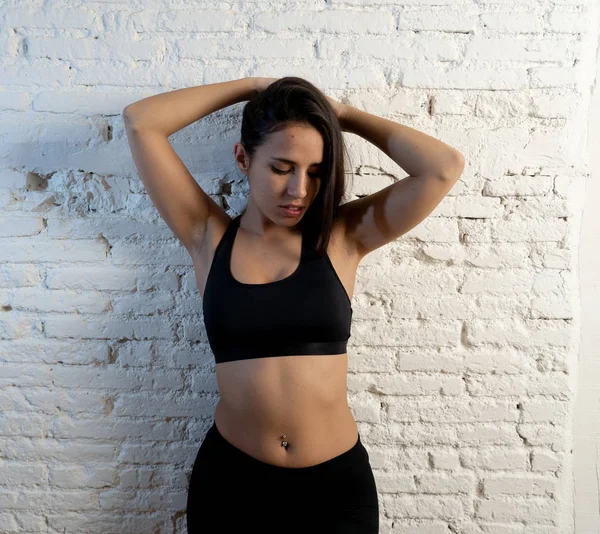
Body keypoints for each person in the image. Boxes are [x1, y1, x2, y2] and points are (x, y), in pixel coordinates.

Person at [123, 76, 464, 533]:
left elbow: (443, 167)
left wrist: (340, 115)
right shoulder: (208, 236)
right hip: (233, 485)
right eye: (282, 168)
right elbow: (141, 122)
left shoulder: (344, 237)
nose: (300, 190)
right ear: (243, 158)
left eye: (316, 171)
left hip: (335, 491)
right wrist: (251, 87)